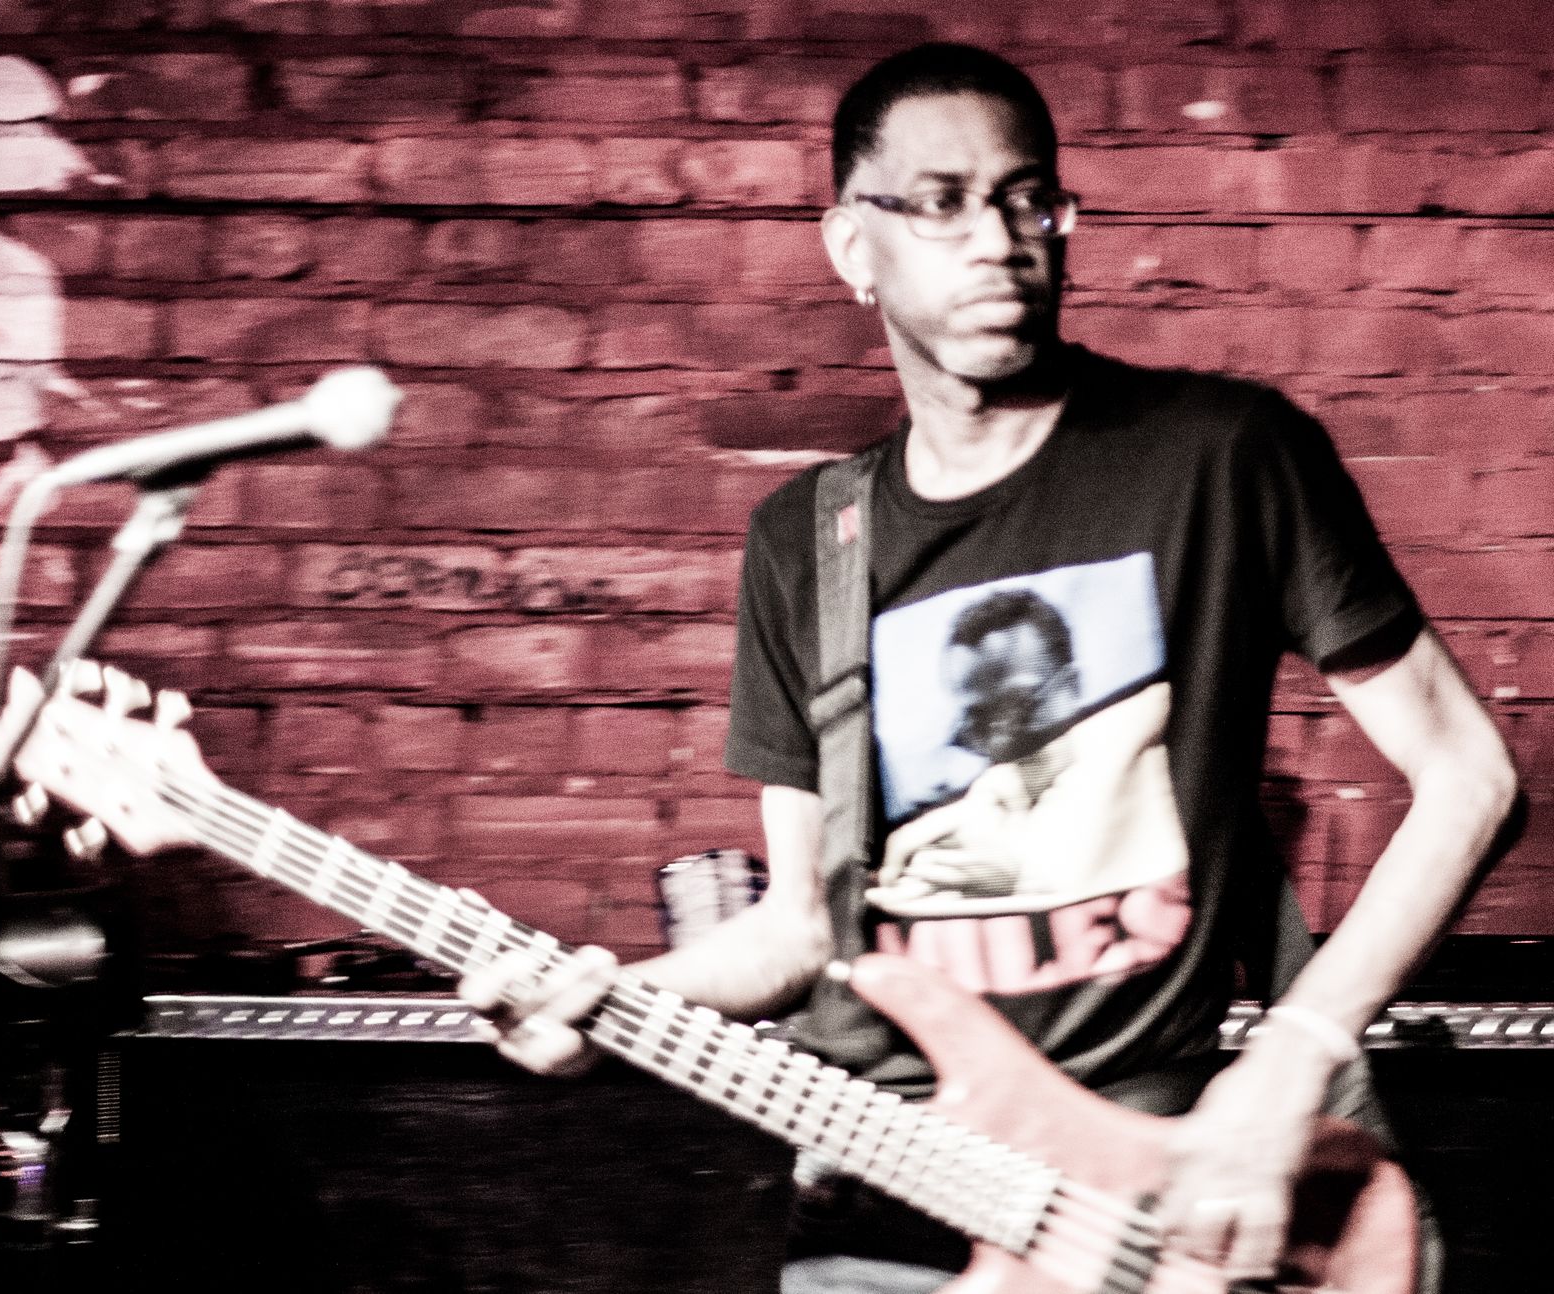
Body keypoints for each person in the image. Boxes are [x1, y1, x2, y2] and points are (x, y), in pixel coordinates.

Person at [460, 42, 1518, 1292]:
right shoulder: (808, 539)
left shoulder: (1222, 455)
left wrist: (1293, 1056)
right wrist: (606, 1000)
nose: (999, 241)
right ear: (852, 246)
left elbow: (1468, 775)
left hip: (1137, 1195)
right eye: (941, 202)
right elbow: (801, 927)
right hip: (876, 1201)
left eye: (1028, 200)